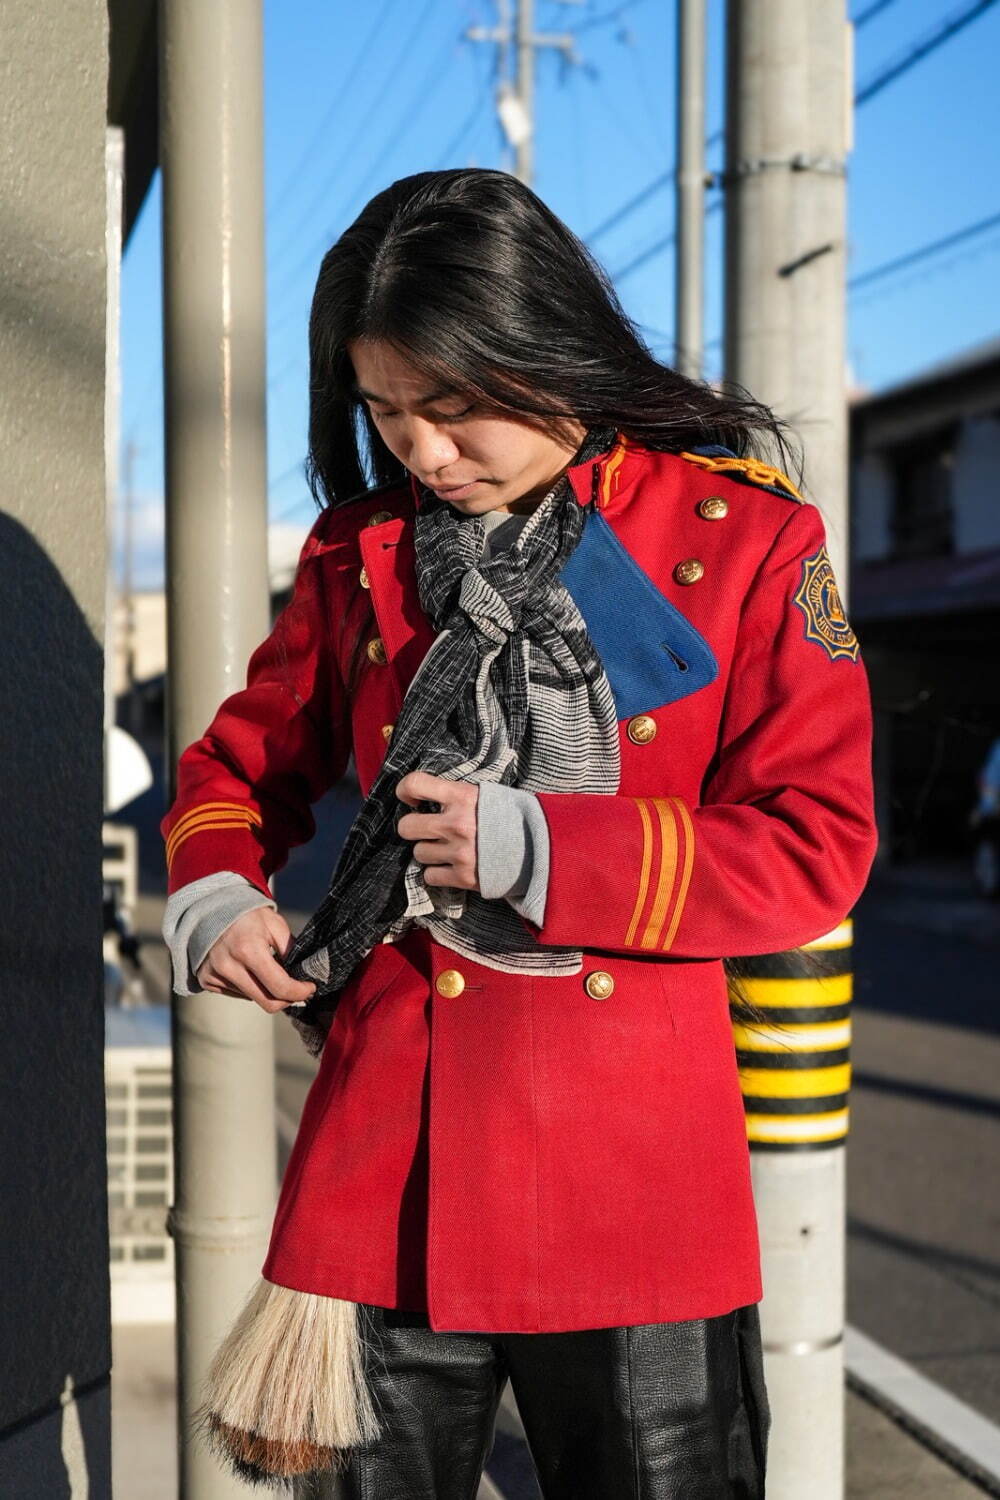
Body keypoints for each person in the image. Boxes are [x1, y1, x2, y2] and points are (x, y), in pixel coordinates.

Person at [161, 167, 878, 1498]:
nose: (424, 455)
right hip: (385, 1180)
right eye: (384, 412)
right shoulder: (360, 551)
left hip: (631, 1190)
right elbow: (241, 760)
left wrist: (545, 850)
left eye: (451, 407)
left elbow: (813, 844)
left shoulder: (735, 546)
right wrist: (212, 883)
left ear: (543, 349)